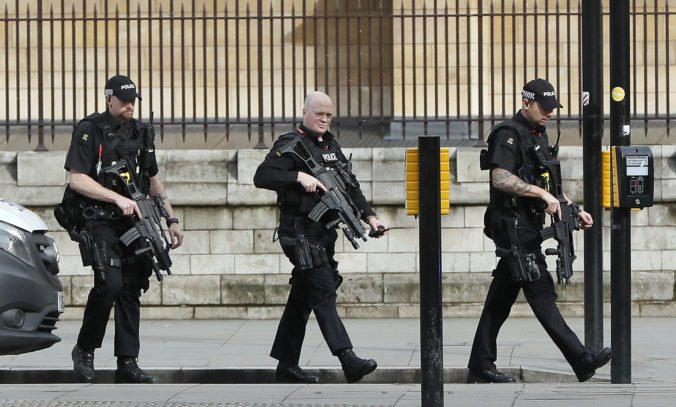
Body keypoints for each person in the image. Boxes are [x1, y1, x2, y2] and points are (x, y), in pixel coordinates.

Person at [467, 78, 611, 383]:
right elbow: (500, 178)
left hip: (528, 226)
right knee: (541, 290)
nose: (549, 113)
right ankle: (580, 358)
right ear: (526, 103)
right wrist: (540, 194)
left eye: (552, 108)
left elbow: (550, 185)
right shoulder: (508, 134)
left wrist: (573, 208)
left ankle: (480, 364)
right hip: (511, 225)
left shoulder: (538, 135)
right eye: (544, 107)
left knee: (501, 297)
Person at [253, 91, 386, 384]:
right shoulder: (290, 144)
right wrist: (297, 177)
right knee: (323, 291)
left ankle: (287, 366)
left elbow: (350, 186)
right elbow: (261, 176)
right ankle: (348, 359)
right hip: (298, 233)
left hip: (323, 234)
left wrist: (370, 217)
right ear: (305, 112)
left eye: (328, 115)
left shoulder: (330, 145)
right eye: (319, 114)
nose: (324, 119)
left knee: (303, 298)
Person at [63, 74, 184, 383]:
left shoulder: (142, 132)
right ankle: (85, 349)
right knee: (109, 285)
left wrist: (171, 219)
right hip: (101, 218)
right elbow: (76, 178)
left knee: (131, 288)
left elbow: (153, 179)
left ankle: (127, 362)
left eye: (133, 99)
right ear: (109, 98)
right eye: (124, 99)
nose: (130, 104)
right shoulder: (90, 130)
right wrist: (116, 198)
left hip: (135, 221)